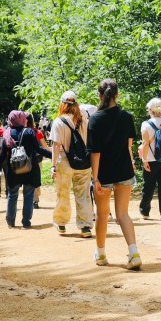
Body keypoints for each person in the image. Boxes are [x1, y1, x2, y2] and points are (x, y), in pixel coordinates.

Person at [87, 79, 141, 269]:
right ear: (117, 95)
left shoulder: (95, 119)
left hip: (104, 174)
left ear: (100, 95)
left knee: (102, 214)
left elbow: (95, 152)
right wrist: (131, 163)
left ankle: (101, 254)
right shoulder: (126, 116)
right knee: (123, 214)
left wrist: (95, 178)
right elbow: (128, 146)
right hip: (124, 170)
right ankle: (134, 253)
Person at [49, 91, 94, 237]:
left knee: (63, 193)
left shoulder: (58, 122)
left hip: (65, 162)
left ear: (62, 104)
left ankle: (61, 223)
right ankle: (85, 227)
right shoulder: (84, 120)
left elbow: (56, 145)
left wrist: (53, 165)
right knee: (83, 194)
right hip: (83, 162)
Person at [0, 110, 50, 228]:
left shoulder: (7, 133)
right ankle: (26, 222)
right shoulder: (29, 132)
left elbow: (2, 155)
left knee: (12, 195)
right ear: (21, 119)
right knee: (28, 195)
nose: (26, 119)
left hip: (13, 169)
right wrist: (53, 155)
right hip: (29, 169)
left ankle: (10, 221)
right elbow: (38, 149)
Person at [139, 98, 161, 221]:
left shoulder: (146, 124)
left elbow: (145, 143)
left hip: (151, 160)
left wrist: (144, 160)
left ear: (150, 110)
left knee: (148, 186)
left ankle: (145, 211)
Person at [27, 112, 47, 209]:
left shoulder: (21, 132)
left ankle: (29, 199)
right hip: (37, 159)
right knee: (36, 178)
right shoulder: (38, 132)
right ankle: (35, 199)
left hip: (24, 160)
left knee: (27, 179)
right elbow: (45, 146)